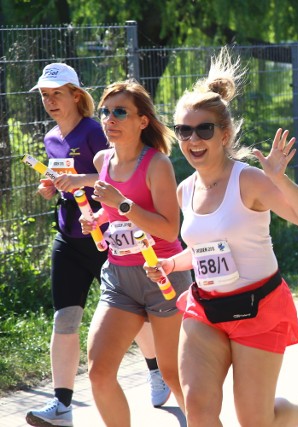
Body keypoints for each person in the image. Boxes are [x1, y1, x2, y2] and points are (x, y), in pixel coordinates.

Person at [143, 48, 298, 427]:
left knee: (256, 421)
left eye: (204, 129)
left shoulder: (248, 180)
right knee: (198, 411)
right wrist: (170, 263)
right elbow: (202, 251)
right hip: (206, 310)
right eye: (184, 130)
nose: (193, 139)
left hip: (258, 309)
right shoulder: (186, 189)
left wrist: (279, 179)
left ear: (225, 133)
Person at [25, 64, 171, 427]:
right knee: (65, 318)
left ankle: (158, 372)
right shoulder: (51, 137)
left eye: (56, 93)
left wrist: (80, 181)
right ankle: (62, 406)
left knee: (134, 319)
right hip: (71, 237)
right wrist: (52, 187)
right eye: (44, 95)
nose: (50, 101)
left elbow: (115, 172)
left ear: (76, 94)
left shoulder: (97, 132)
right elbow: (63, 180)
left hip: (109, 238)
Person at [80, 79, 191, 427]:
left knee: (174, 375)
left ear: (142, 120)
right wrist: (97, 219)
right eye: (105, 112)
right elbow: (113, 215)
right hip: (119, 279)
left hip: (164, 275)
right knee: (98, 372)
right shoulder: (102, 160)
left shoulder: (157, 164)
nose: (109, 119)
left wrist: (121, 204)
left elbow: (170, 229)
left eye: (120, 112)